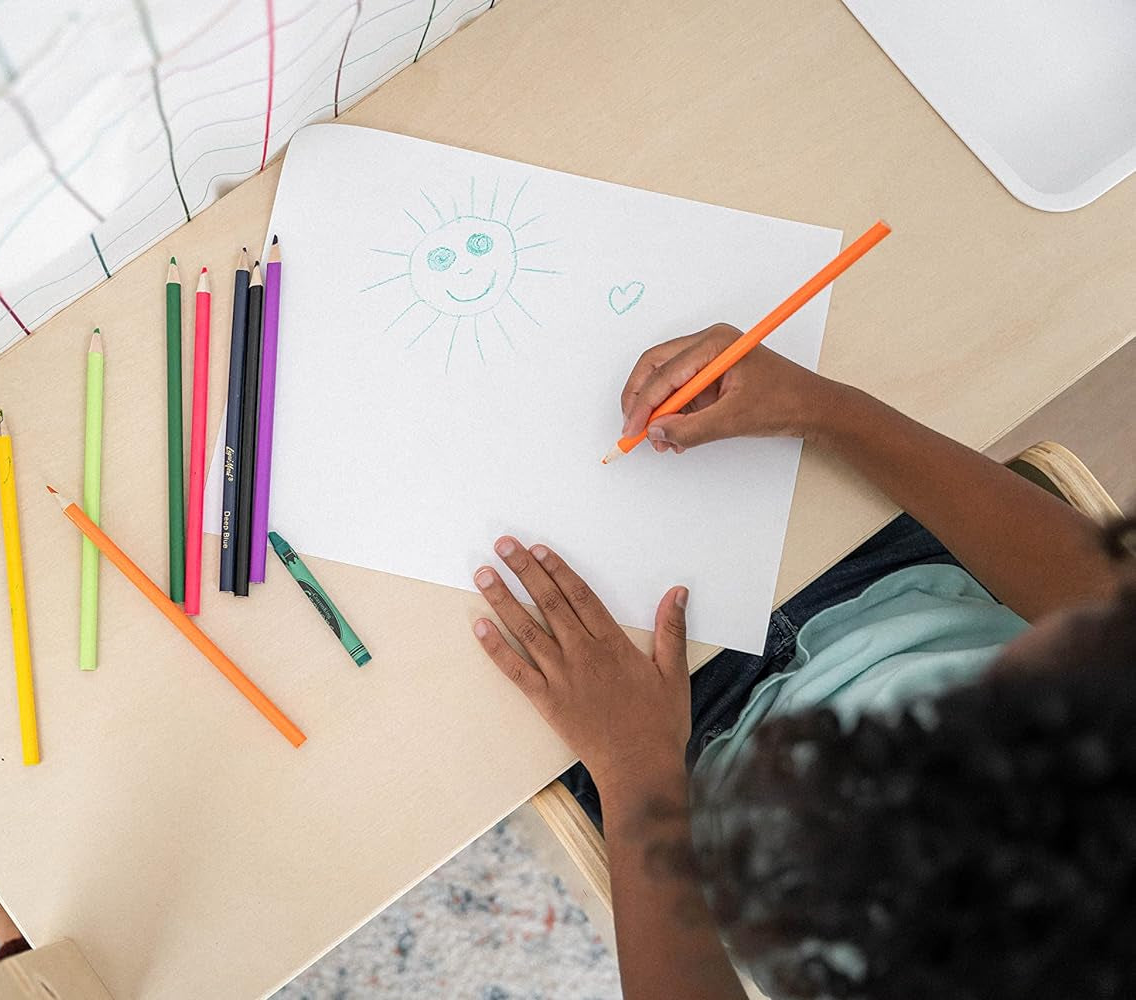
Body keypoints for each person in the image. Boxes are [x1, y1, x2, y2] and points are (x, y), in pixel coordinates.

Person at [467, 323, 1134, 999]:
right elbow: (1106, 604)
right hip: (892, 570)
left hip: (673, 771)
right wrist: (827, 410)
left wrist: (633, 764)